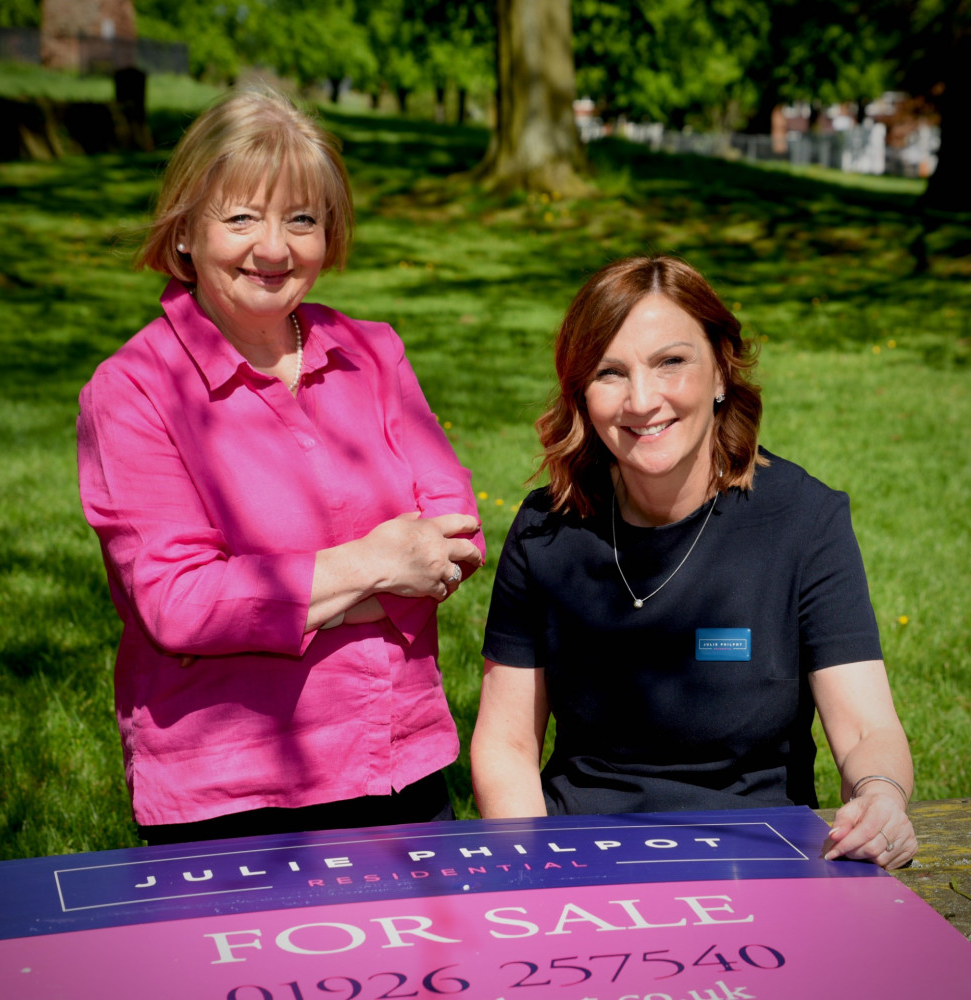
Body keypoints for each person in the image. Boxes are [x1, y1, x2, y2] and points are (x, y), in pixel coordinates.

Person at [77, 87, 484, 845]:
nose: (273, 248)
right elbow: (179, 603)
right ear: (186, 231)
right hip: (229, 792)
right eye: (240, 218)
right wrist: (374, 565)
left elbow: (457, 540)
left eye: (301, 219)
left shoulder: (375, 352)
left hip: (400, 765)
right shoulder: (132, 391)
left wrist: (276, 595)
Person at [471, 254, 916, 870]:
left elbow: (869, 731)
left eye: (670, 362)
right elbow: (507, 745)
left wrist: (881, 798)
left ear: (721, 373)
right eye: (610, 373)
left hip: (762, 860)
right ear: (581, 392)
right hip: (582, 857)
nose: (641, 400)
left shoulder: (804, 521)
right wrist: (538, 871)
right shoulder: (546, 530)